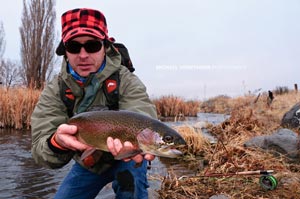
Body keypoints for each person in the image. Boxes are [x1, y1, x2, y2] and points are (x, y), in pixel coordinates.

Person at [31, 8, 157, 199]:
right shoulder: (55, 90)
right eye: (74, 47)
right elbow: (40, 150)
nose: (83, 55)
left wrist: (141, 144)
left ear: (104, 47)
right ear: (65, 51)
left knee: (132, 186)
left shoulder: (127, 81)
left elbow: (142, 115)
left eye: (92, 46)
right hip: (88, 164)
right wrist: (56, 142)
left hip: (128, 158)